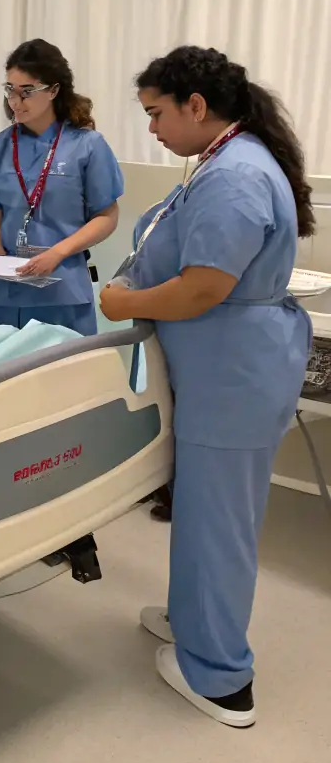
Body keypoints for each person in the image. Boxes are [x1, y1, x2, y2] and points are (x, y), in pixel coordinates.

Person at [100, 46, 313, 728]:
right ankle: (193, 620)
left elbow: (202, 288)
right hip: (220, 370)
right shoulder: (225, 161)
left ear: (196, 106)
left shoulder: (236, 178)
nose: (153, 129)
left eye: (158, 113)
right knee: (199, 506)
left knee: (220, 522)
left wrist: (123, 303)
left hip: (232, 374)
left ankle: (220, 677)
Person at [0, 39, 123, 335]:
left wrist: (58, 253)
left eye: (27, 92)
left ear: (53, 90)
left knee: (60, 376)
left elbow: (106, 217)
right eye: (10, 89)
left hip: (60, 288)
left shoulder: (87, 146)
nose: (15, 100)